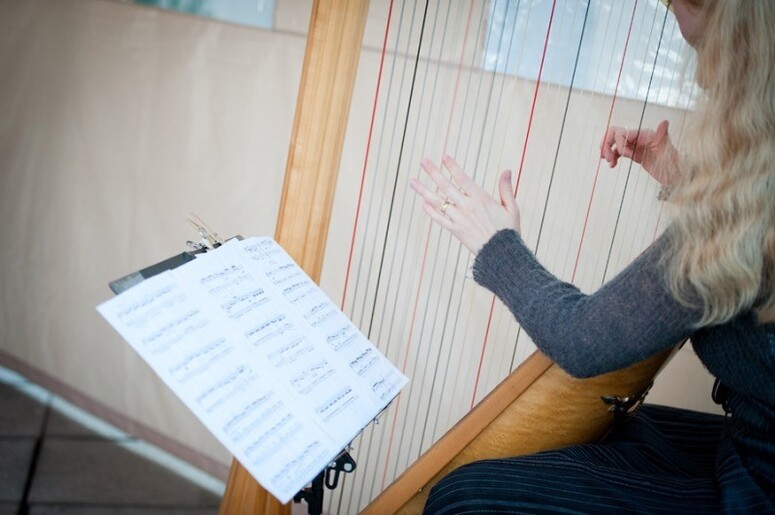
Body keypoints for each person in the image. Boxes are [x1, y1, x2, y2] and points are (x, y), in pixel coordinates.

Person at [409, 0, 774, 512]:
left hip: (760, 486)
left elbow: (581, 342)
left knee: (461, 499)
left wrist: (497, 244)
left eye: (705, 50)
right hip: (752, 440)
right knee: (607, 432)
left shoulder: (740, 221)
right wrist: (690, 183)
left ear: (749, 52)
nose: (703, 77)